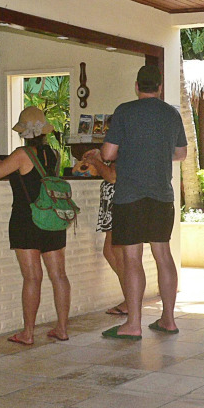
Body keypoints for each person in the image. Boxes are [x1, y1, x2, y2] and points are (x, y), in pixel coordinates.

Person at [100, 65, 187, 340]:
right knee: (163, 255)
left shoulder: (125, 111)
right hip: (162, 196)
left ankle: (133, 324)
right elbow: (181, 153)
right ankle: (168, 320)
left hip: (130, 196)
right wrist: (155, 153)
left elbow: (108, 153)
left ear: (137, 86)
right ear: (159, 87)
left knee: (131, 258)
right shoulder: (171, 114)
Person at [0, 106, 70, 345]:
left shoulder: (21, 153)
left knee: (32, 278)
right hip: (53, 220)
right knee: (59, 275)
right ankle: (62, 328)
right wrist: (6, 164)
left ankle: (28, 333)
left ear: (23, 132)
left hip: (27, 222)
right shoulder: (54, 154)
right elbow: (35, 175)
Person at [82, 132, 127, 316]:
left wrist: (96, 162)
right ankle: (131, 297)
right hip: (115, 207)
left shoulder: (123, 151)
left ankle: (131, 299)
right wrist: (98, 158)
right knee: (113, 253)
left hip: (118, 207)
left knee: (116, 254)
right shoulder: (123, 151)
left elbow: (112, 176)